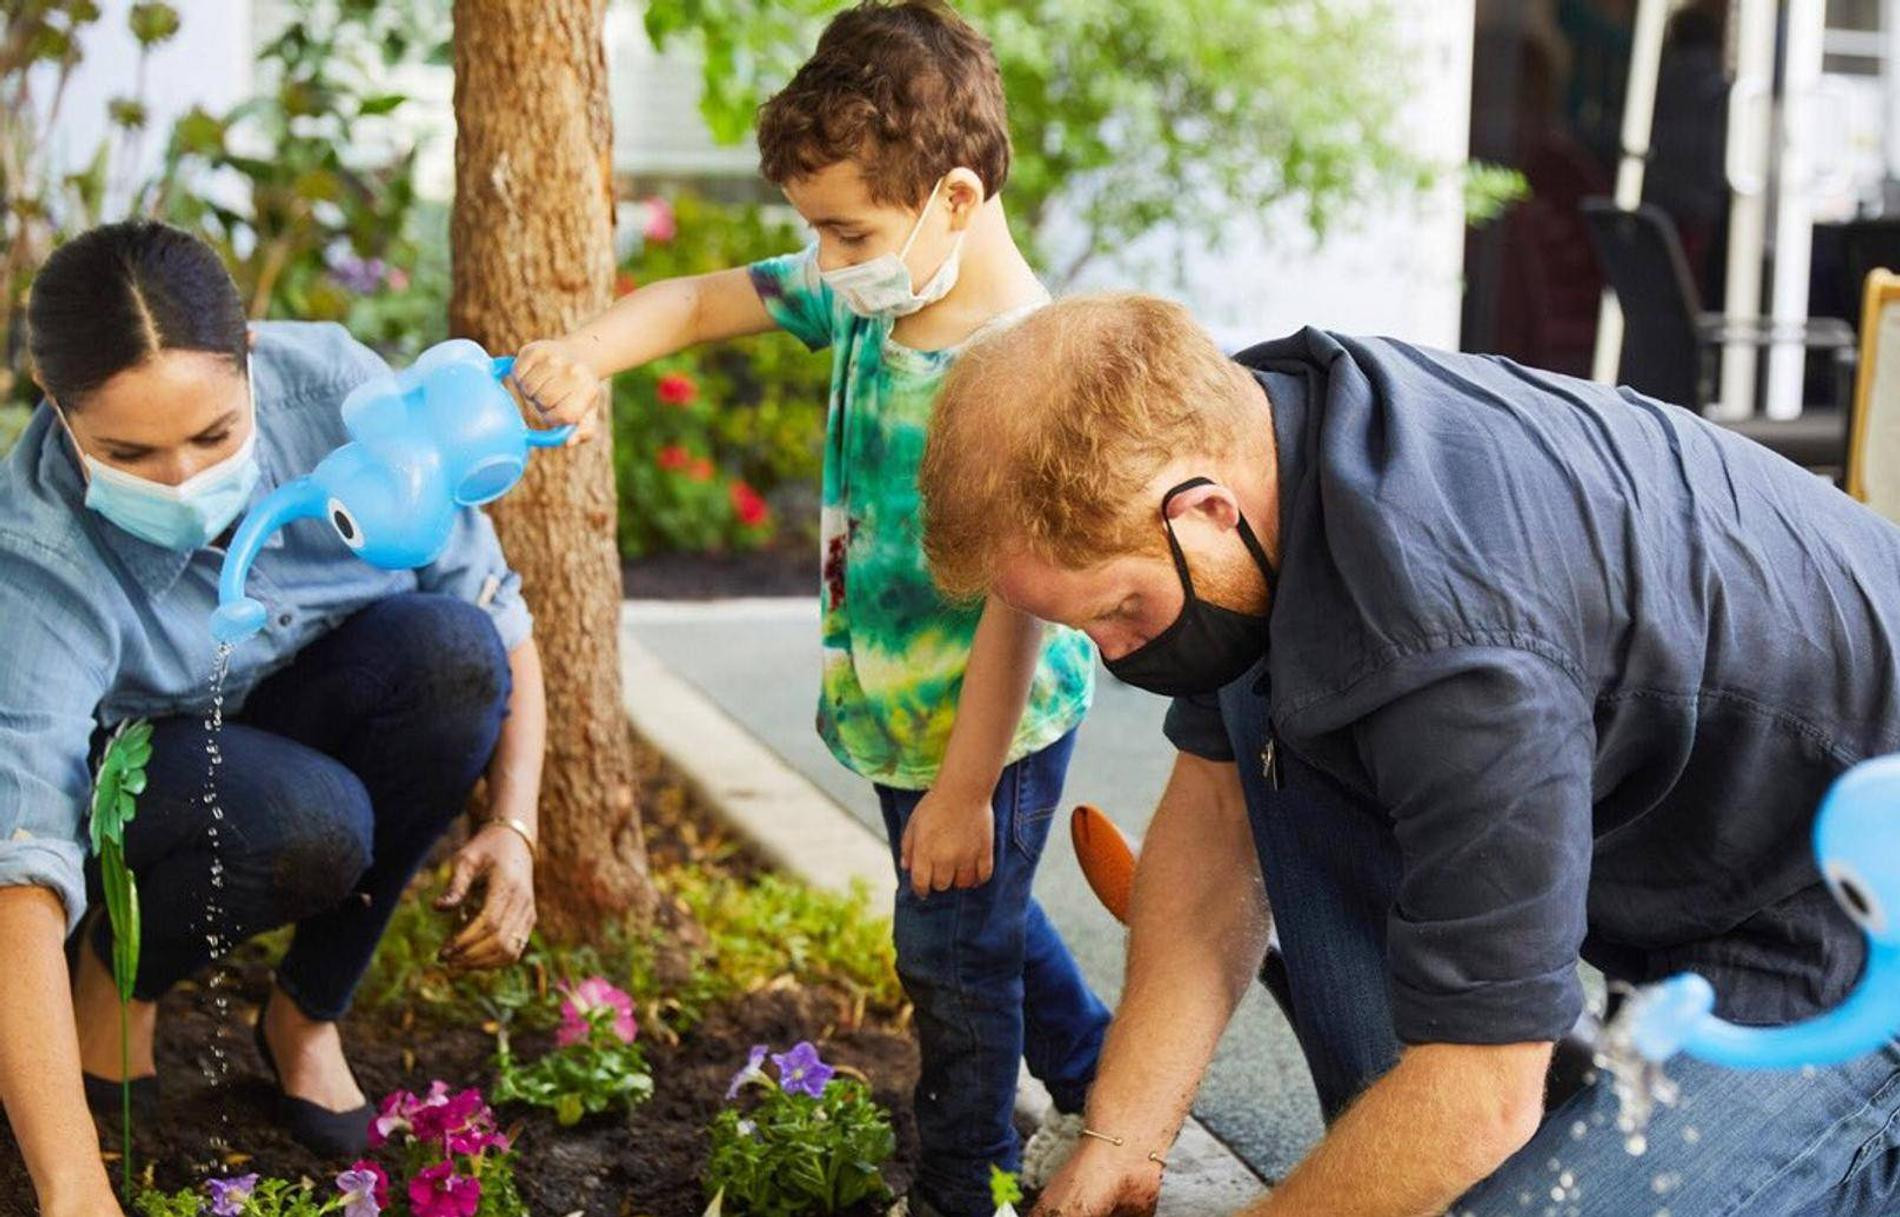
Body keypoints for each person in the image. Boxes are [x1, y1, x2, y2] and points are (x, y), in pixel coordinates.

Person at [918, 292, 1900, 1216]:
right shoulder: (1260, 439)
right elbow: (1217, 815)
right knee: (1268, 702)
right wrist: (1121, 1136)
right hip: (1721, 863)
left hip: (1854, 924)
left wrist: (1469, 1095)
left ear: (1204, 509)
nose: (1115, 652)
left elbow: (1483, 1090)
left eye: (1119, 610)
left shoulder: (1453, 641)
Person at [508, 3, 1108, 1210]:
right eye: (816, 232)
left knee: (947, 955)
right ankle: (1104, 1072)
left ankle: (967, 1182)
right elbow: (690, 304)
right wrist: (581, 353)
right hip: (896, 713)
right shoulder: (871, 290)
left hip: (988, 729)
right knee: (971, 916)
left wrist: (964, 789)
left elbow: (1020, 607)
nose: (825, 259)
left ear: (953, 197)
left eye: (845, 232)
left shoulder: (1022, 367)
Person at [0, 221, 547, 1217]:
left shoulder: (340, 397)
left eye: (213, 436)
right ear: (54, 398)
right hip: (148, 777)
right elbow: (20, 865)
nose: (181, 481)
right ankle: (119, 973)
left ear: (249, 353)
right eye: (128, 451)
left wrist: (514, 825)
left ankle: (306, 1010)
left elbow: (497, 614)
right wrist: (73, 1187)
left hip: (308, 702)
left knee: (452, 653)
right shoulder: (37, 556)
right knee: (308, 820)